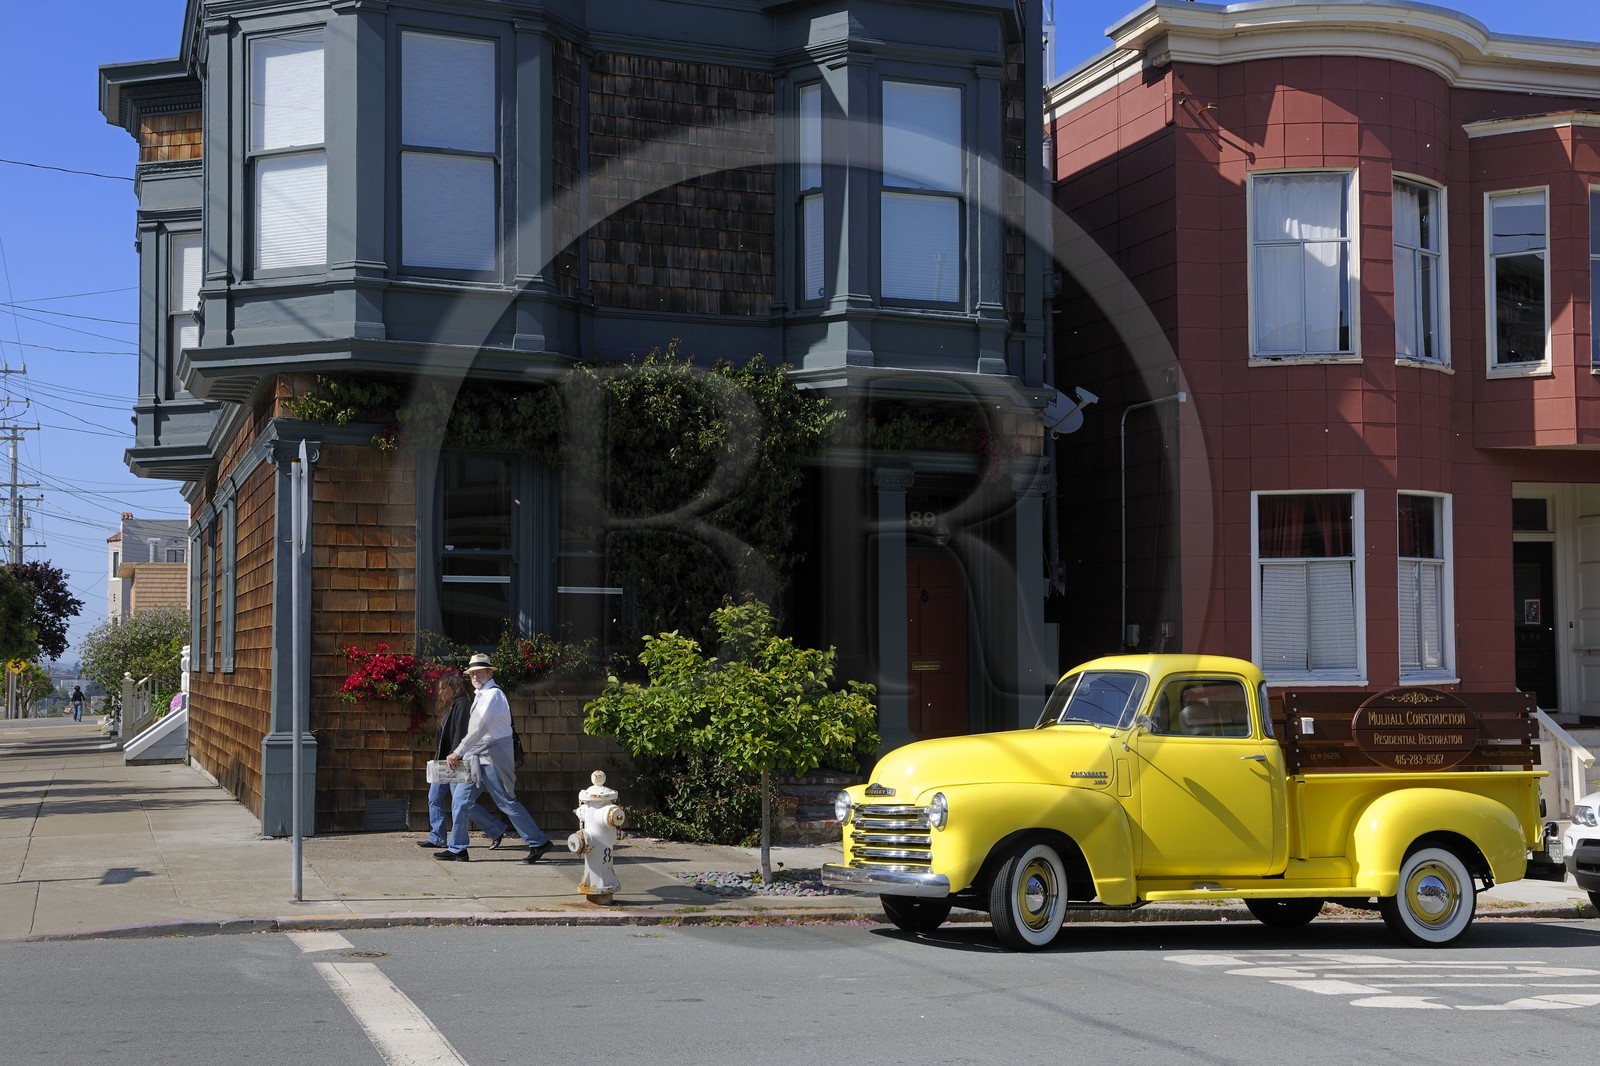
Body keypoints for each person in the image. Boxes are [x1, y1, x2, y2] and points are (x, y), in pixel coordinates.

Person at [439, 653, 553, 863]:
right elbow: (475, 732)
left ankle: (538, 841)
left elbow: (477, 729)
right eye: (473, 673)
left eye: (480, 671)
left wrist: (458, 752)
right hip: (476, 757)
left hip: (492, 758)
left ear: (490, 672)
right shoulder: (481, 695)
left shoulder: (493, 695)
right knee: (461, 801)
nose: (475, 676)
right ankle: (458, 849)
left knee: (506, 802)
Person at [418, 672, 509, 852]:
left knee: (461, 802)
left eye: (444, 688)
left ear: (456, 688)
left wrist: (455, 755)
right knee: (435, 797)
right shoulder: (452, 706)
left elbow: (461, 733)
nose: (441, 692)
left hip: (454, 761)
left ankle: (495, 829)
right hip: (444, 761)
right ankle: (437, 837)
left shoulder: (463, 705)